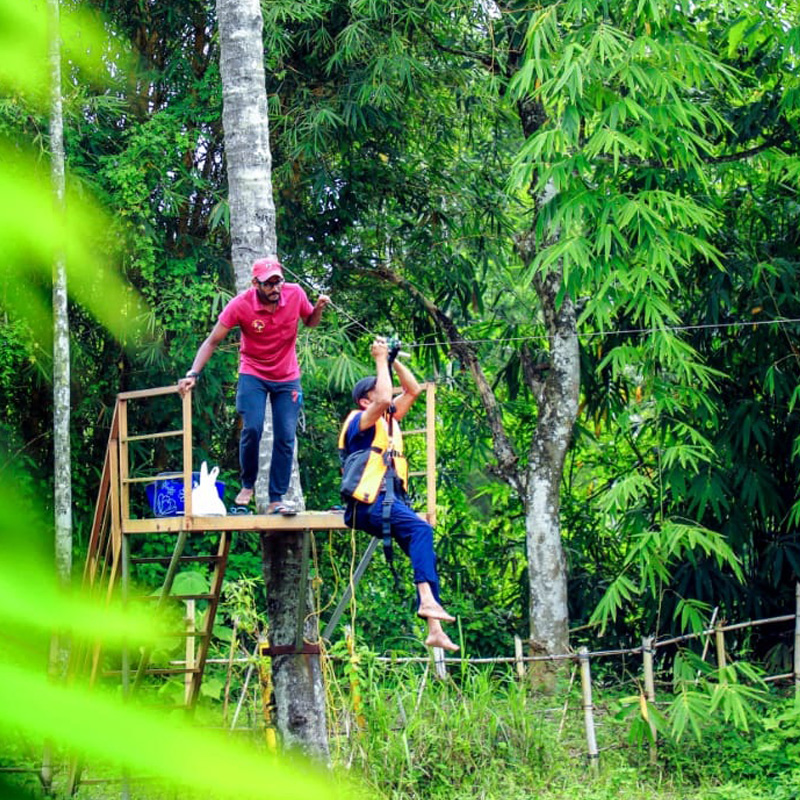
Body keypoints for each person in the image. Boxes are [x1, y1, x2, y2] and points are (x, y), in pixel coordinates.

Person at [178, 256, 329, 514]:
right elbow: (212, 340)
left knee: (285, 436)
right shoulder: (241, 305)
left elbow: (309, 322)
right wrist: (193, 373)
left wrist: (318, 308)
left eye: (277, 282)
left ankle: (276, 498)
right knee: (253, 428)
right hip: (254, 372)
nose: (275, 289)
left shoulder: (294, 294)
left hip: (287, 375)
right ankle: (248, 483)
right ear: (255, 284)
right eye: (268, 284)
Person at [338, 337, 458, 652]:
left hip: (389, 503)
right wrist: (379, 359)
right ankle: (429, 603)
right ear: (366, 400)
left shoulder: (389, 422)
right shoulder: (360, 422)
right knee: (421, 529)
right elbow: (381, 401)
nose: (389, 395)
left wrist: (392, 361)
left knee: (422, 547)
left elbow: (414, 390)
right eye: (382, 390)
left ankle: (433, 625)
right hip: (369, 505)